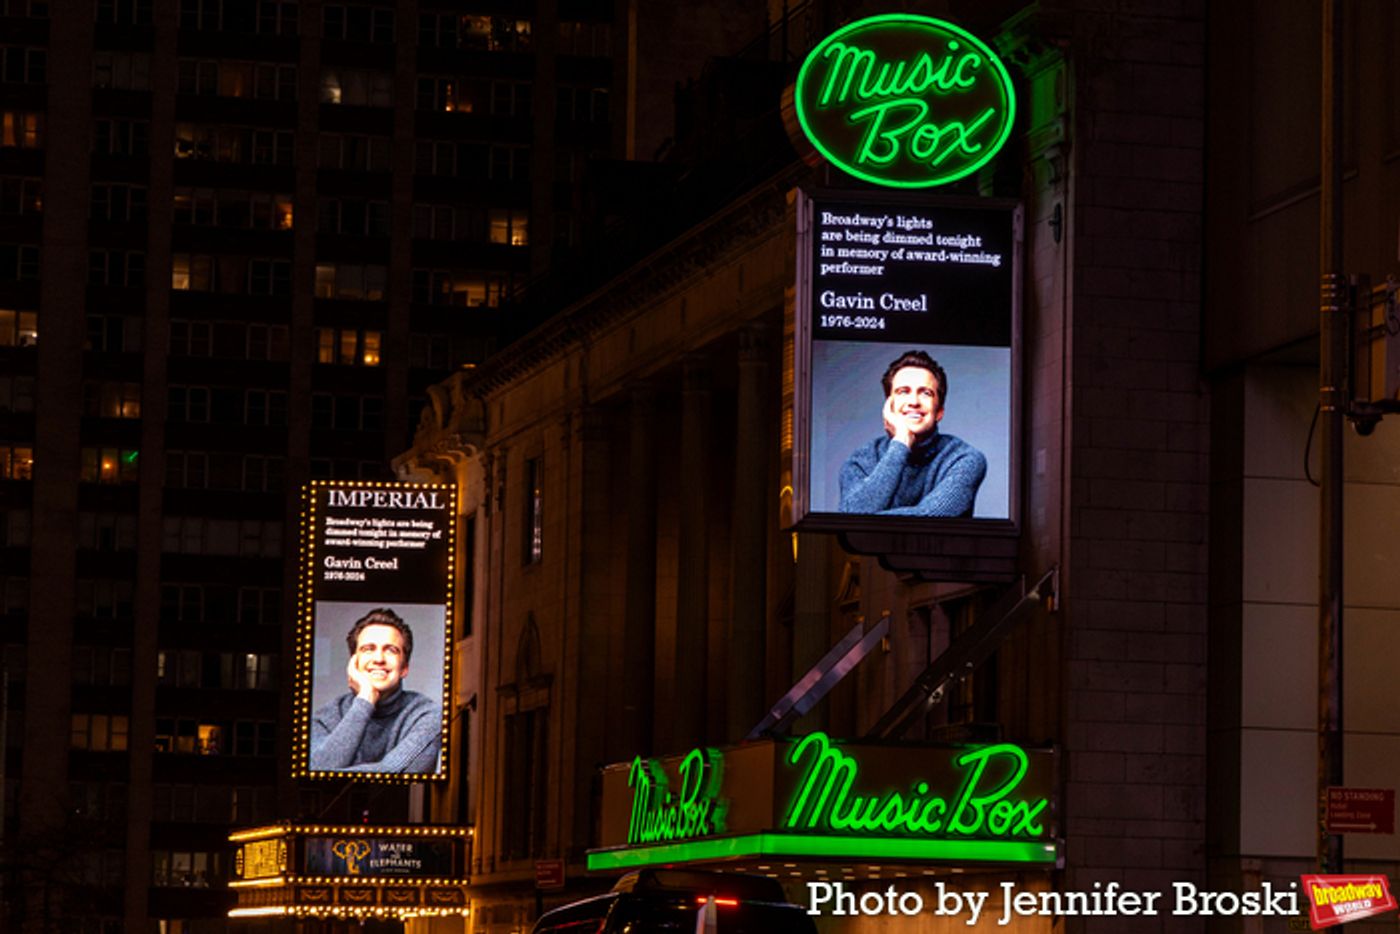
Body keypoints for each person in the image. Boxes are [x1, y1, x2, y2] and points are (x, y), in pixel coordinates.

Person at [838, 350, 987, 517]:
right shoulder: (861, 460)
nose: (914, 402)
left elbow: (927, 520)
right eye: (903, 391)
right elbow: (851, 518)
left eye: (925, 393)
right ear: (889, 407)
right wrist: (901, 443)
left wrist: (870, 520)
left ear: (939, 411)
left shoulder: (965, 458)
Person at [310, 608, 441, 773]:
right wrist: (365, 700)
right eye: (368, 649)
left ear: (404, 668)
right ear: (354, 664)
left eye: (390, 650)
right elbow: (317, 771)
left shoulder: (428, 715)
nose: (379, 659)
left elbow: (393, 772)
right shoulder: (325, 718)